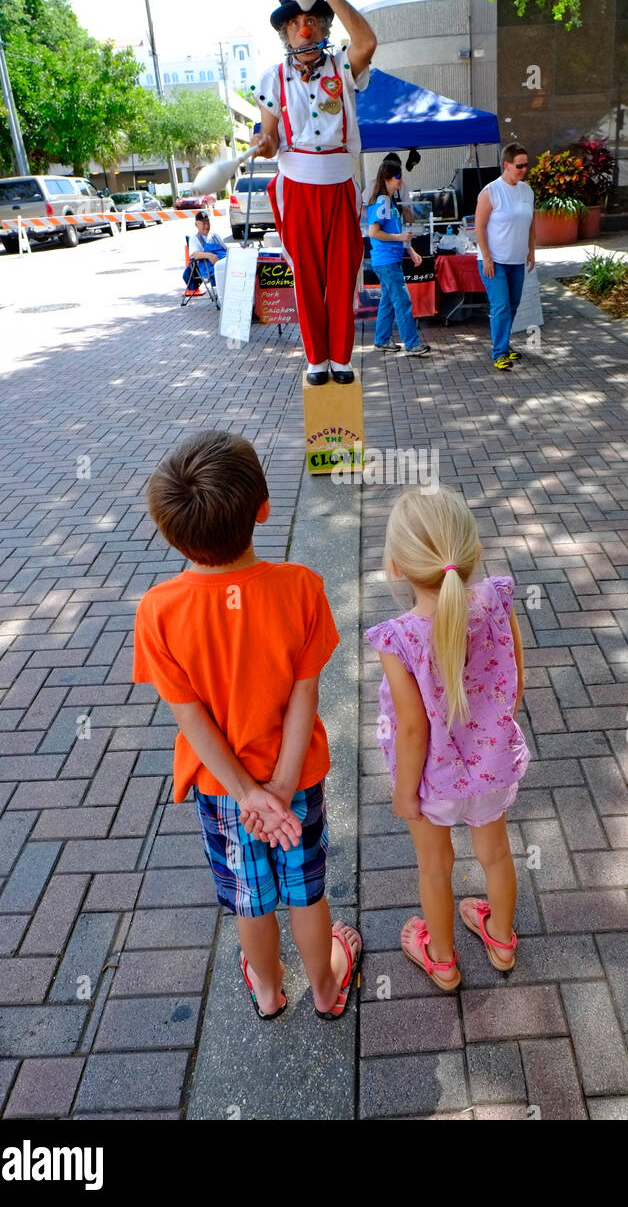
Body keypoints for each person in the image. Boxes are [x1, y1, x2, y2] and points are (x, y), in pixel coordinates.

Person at [133, 431, 362, 1021]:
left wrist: (250, 797)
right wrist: (280, 790)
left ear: (169, 529)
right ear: (263, 509)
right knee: (308, 892)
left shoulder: (158, 611)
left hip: (223, 789)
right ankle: (326, 989)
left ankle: (267, 992)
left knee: (249, 897)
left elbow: (191, 717)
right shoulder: (301, 587)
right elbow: (304, 696)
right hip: (295, 781)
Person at [365, 488, 528, 991]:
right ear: (472, 553)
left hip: (431, 780)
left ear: (396, 566)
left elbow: (413, 729)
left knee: (435, 867)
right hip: (491, 767)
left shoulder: (398, 639)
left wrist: (402, 792)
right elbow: (515, 679)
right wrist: (493, 741)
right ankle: (501, 937)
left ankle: (441, 957)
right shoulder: (497, 600)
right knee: (496, 854)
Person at [249, 0, 377, 385]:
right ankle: (317, 359)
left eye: (312, 20)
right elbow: (268, 135)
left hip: (339, 181)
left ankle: (342, 357)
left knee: (343, 272)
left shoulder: (342, 65)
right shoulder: (271, 78)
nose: (305, 29)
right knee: (306, 277)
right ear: (286, 32)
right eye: (296, 23)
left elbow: (368, 42)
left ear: (323, 25)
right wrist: (263, 143)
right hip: (298, 184)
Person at [474, 143, 537, 371]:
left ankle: (504, 344)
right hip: (494, 261)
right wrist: (487, 258)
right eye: (519, 166)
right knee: (500, 306)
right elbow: (479, 227)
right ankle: (499, 352)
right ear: (506, 165)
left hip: (516, 260)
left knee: (512, 305)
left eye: (526, 165)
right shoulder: (491, 191)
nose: (523, 170)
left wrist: (531, 250)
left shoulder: (527, 191)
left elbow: (530, 223)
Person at [367, 159, 431, 357]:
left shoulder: (388, 202)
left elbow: (393, 232)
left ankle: (382, 339)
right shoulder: (383, 201)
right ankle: (412, 345)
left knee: (388, 301)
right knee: (402, 302)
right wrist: (401, 239)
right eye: (397, 177)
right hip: (387, 261)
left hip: (388, 260)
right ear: (387, 178)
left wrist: (410, 251)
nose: (400, 181)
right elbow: (374, 232)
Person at [185, 210, 226, 295]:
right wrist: (209, 255)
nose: (207, 226)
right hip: (210, 269)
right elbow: (194, 254)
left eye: (208, 223)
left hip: (223, 264)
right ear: (196, 224)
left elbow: (225, 249)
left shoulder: (215, 236)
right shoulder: (194, 239)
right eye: (203, 223)